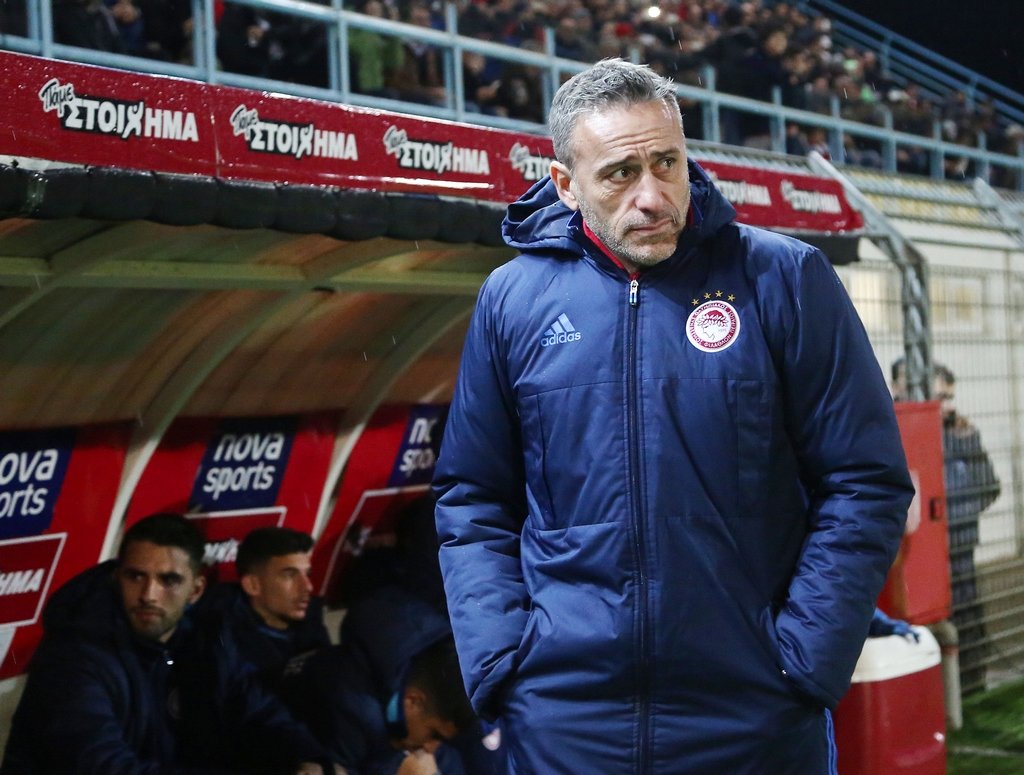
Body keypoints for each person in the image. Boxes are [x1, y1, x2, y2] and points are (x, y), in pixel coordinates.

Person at [433, 58, 913, 774]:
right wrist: (503, 660)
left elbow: (865, 480)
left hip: (755, 714)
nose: (652, 196)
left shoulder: (783, 278)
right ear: (565, 184)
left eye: (667, 163)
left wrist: (805, 659)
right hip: (568, 722)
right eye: (620, 173)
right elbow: (472, 496)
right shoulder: (512, 300)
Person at [1, 513, 343, 775]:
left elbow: (259, 712)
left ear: (196, 590)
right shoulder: (75, 657)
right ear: (117, 578)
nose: (149, 594)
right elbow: (105, 766)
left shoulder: (203, 641)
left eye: (169, 580)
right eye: (136, 576)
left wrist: (310, 758)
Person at [287, 585, 479, 775]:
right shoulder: (352, 709)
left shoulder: (420, 651)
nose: (431, 747)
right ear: (413, 702)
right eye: (435, 735)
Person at [892, 358, 1000, 690]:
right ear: (899, 389)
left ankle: (972, 686)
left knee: (966, 620)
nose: (948, 407)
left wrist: (968, 443)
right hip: (913, 559)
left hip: (960, 548)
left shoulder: (959, 434)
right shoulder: (893, 432)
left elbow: (990, 487)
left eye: (949, 398)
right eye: (940, 398)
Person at [200, 526, 330, 695]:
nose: (308, 586)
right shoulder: (223, 645)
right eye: (289, 575)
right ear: (253, 585)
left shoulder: (312, 620)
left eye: (307, 574)